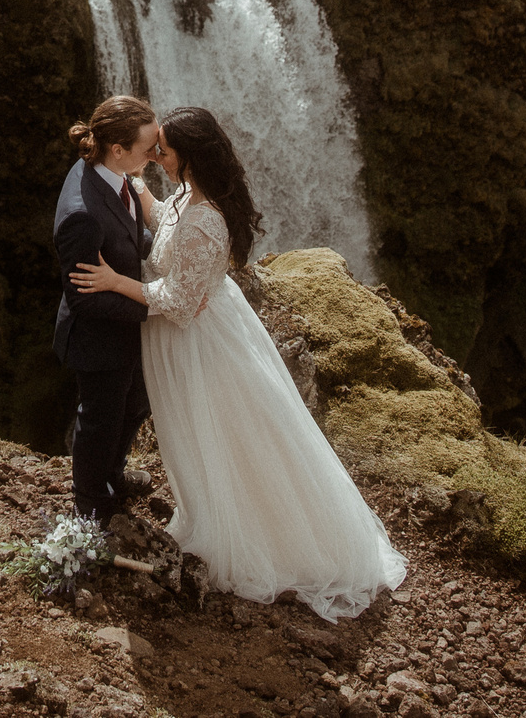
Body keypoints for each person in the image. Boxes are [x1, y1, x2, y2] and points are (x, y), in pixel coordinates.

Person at [70, 105, 406, 620]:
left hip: (199, 341)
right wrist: (139, 192)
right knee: (211, 431)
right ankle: (207, 508)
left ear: (188, 157)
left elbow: (181, 300)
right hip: (193, 332)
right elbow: (167, 227)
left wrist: (116, 281)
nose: (154, 156)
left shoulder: (207, 220)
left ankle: (254, 535)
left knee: (224, 429)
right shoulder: (189, 196)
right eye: (150, 147)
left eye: (162, 149)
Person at [52, 94, 162, 527]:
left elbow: (131, 242)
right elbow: (84, 297)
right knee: (99, 420)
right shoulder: (83, 214)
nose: (155, 155)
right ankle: (91, 505)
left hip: (126, 328)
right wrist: (154, 305)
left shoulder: (114, 174)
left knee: (134, 406)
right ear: (118, 149)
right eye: (148, 147)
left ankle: (113, 477)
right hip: (98, 339)